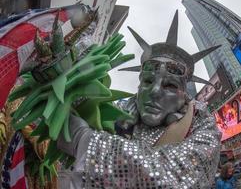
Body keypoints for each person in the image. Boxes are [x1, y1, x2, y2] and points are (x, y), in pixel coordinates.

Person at [57, 11, 222, 188]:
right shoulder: (120, 111)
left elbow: (178, 178)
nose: (155, 91)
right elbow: (77, 108)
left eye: (169, 85)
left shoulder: (202, 124)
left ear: (184, 94)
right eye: (148, 81)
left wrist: (86, 142)